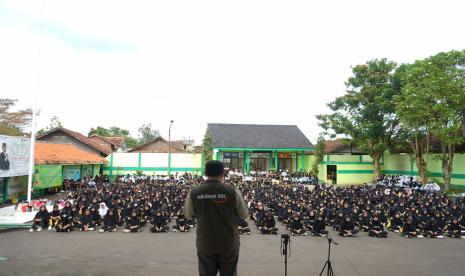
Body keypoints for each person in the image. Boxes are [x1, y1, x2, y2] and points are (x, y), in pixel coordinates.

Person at [184, 160, 248, 276]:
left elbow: (188, 214)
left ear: (205, 172)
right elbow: (243, 214)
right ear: (223, 173)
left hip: (205, 243)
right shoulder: (233, 191)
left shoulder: (194, 192)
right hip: (228, 242)